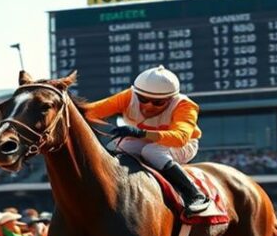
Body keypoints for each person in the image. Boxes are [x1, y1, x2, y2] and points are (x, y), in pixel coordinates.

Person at [84, 65, 210, 215]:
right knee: (114, 150)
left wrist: (141, 133)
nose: (148, 106)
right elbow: (91, 112)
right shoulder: (129, 96)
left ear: (171, 99)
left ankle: (194, 194)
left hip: (182, 144)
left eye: (158, 102)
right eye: (143, 99)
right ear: (136, 93)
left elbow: (180, 138)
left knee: (151, 151)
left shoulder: (185, 105)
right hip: (143, 139)